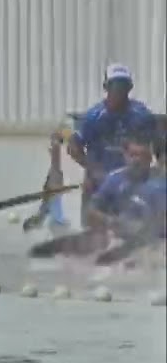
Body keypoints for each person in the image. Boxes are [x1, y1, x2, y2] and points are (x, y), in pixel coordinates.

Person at [67, 64, 157, 224]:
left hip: (130, 186)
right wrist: (93, 169)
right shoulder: (93, 117)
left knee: (129, 229)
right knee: (92, 229)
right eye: (115, 85)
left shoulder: (142, 115)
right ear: (106, 87)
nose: (119, 90)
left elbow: (153, 146)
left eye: (123, 85)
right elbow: (73, 146)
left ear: (130, 87)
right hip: (97, 185)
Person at [86, 133, 167, 245]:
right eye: (132, 155)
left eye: (142, 155)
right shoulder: (114, 179)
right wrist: (111, 221)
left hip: (157, 243)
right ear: (125, 156)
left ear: (149, 158)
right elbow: (91, 210)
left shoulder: (161, 181)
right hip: (122, 241)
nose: (136, 160)